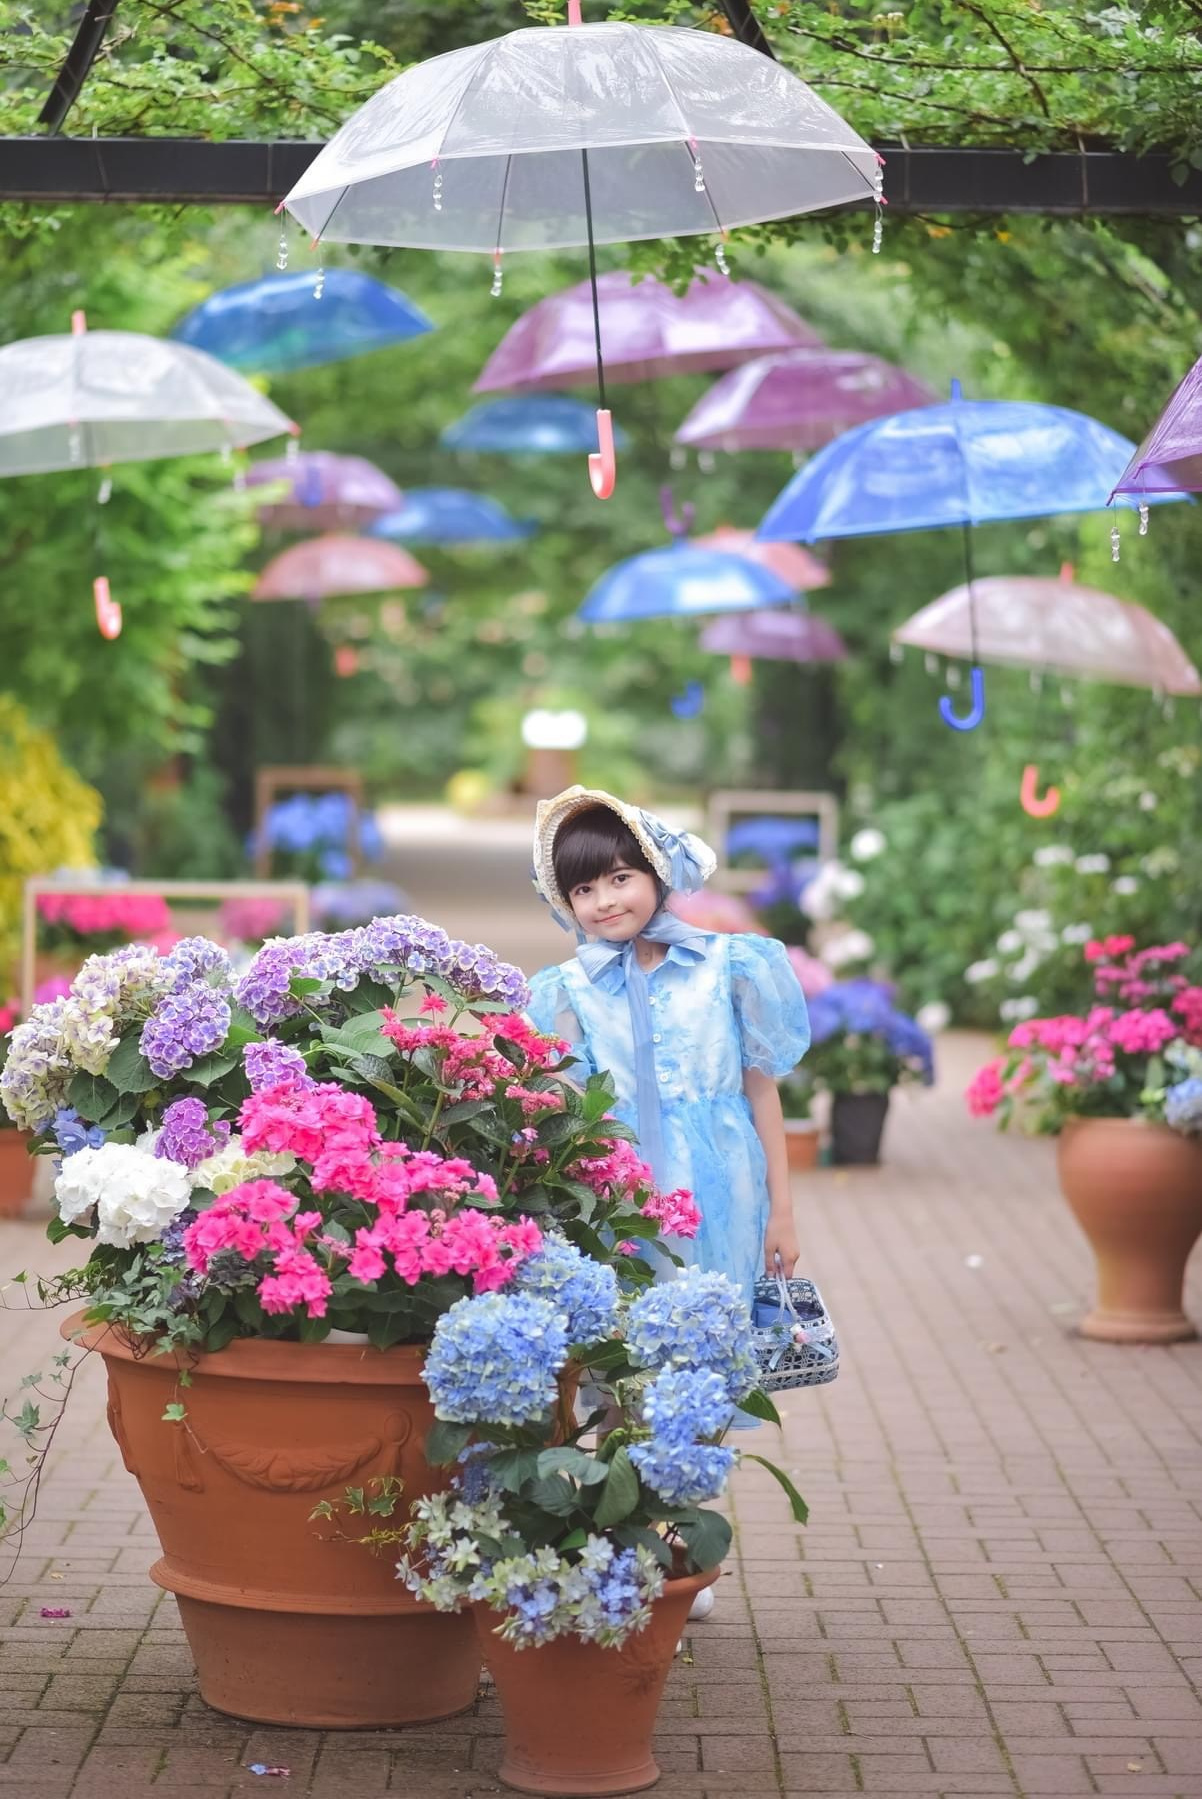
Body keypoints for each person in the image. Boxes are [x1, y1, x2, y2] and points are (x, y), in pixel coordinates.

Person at [527, 786, 811, 1304]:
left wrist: (783, 1214)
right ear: (564, 902)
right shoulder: (568, 991)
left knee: (717, 1331)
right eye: (583, 889)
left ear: (657, 873)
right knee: (629, 1343)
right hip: (618, 1197)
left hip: (728, 1190)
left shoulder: (727, 967)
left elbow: (762, 1094)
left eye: (620, 878)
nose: (605, 901)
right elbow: (561, 1109)